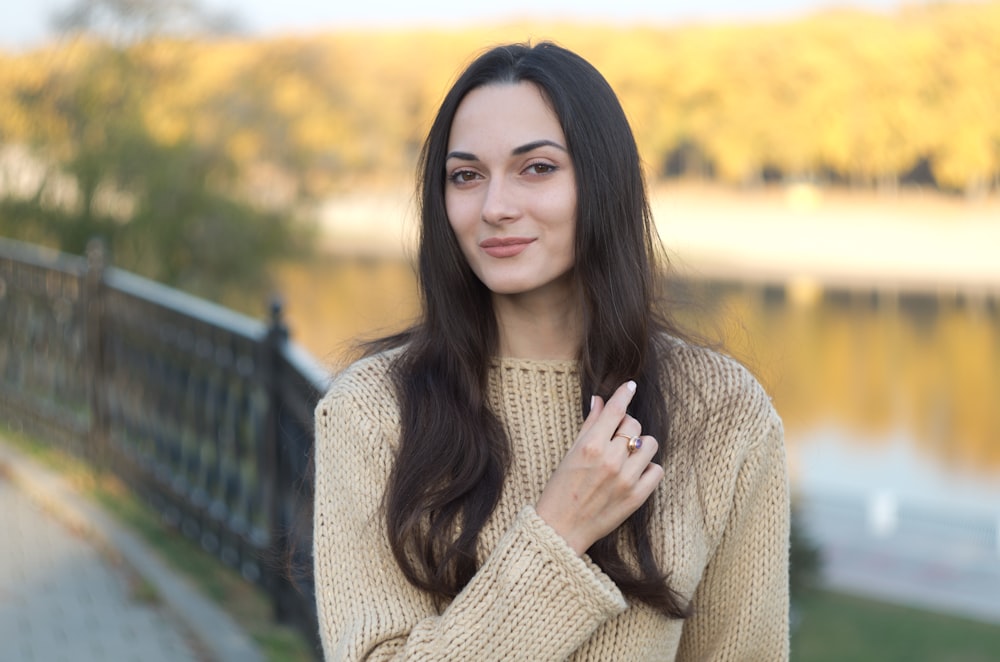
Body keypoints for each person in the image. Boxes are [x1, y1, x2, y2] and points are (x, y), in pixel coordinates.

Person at [312, 41, 789, 661]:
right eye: (466, 176)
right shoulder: (371, 412)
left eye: (536, 168)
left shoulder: (721, 410)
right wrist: (560, 531)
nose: (495, 208)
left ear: (602, 182)